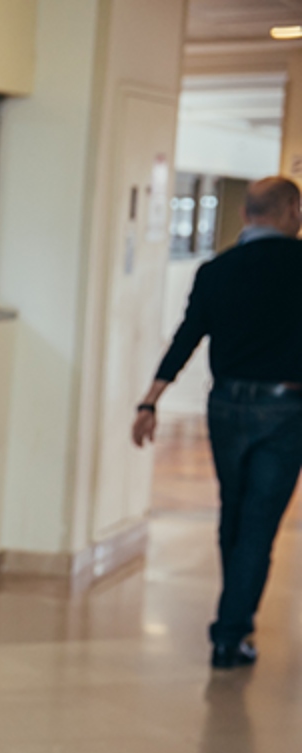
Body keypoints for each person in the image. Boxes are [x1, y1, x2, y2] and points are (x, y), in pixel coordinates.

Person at [132, 176, 302, 669]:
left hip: (225, 406)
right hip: (285, 411)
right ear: (292, 211)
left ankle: (235, 621)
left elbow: (187, 336)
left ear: (247, 214)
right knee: (258, 523)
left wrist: (150, 402)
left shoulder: (216, 270)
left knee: (235, 512)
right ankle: (230, 632)